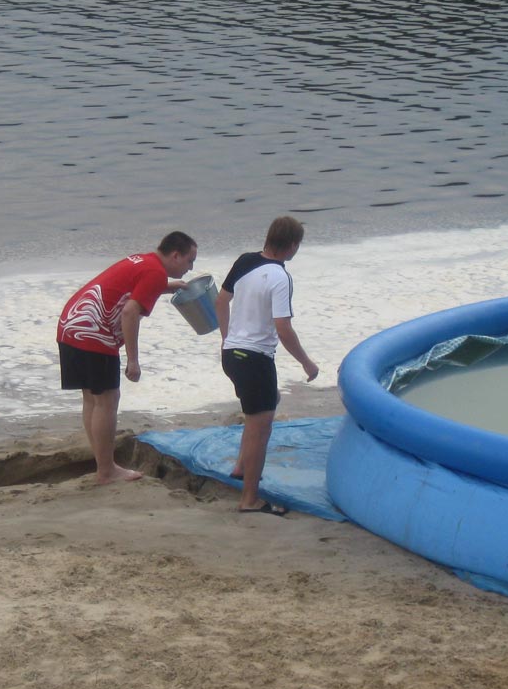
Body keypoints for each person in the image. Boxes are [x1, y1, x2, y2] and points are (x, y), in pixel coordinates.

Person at [57, 231, 199, 484]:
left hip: (70, 325)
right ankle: (106, 471)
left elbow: (133, 286)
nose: (191, 267)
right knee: (107, 400)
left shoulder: (144, 261)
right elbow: (130, 313)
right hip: (93, 334)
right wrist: (133, 360)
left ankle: (103, 464)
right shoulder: (155, 272)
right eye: (190, 261)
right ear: (175, 255)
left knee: (92, 398)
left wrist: (166, 287)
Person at [216, 215, 318, 515]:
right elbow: (283, 328)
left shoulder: (245, 260)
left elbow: (220, 302)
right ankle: (250, 499)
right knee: (261, 427)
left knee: (265, 403)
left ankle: (239, 466)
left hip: (232, 355)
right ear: (292, 246)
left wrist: (227, 338)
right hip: (255, 358)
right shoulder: (279, 276)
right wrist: (306, 363)